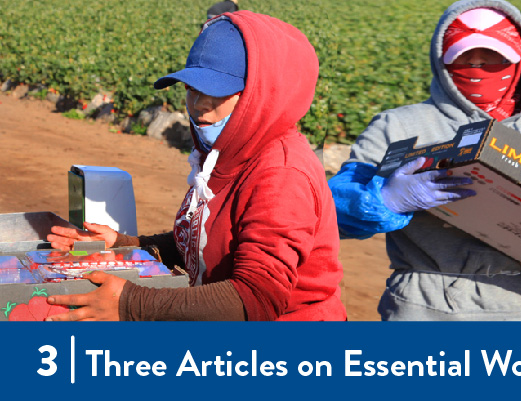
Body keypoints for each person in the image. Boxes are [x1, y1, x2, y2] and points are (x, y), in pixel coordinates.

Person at [44, 11, 346, 321]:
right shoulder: (224, 153)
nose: (200, 104)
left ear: (260, 94)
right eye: (191, 89)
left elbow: (255, 299)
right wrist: (125, 245)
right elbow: (203, 250)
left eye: (217, 91)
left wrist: (132, 304)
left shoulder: (281, 174)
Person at [328, 0, 521, 321]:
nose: (477, 66)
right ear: (442, 63)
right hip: (424, 307)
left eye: (493, 57)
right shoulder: (398, 126)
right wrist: (384, 199)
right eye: (464, 58)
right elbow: (331, 212)